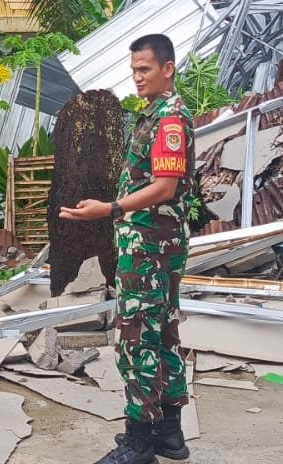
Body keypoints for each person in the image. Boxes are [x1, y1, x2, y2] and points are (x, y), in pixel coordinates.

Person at [61, 34, 198, 464]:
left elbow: (164, 186)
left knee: (136, 339)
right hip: (153, 243)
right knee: (163, 335)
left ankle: (139, 444)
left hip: (150, 246)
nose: (136, 77)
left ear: (167, 69)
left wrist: (110, 208)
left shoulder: (169, 120)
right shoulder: (154, 114)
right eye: (134, 69)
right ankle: (169, 435)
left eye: (145, 69)